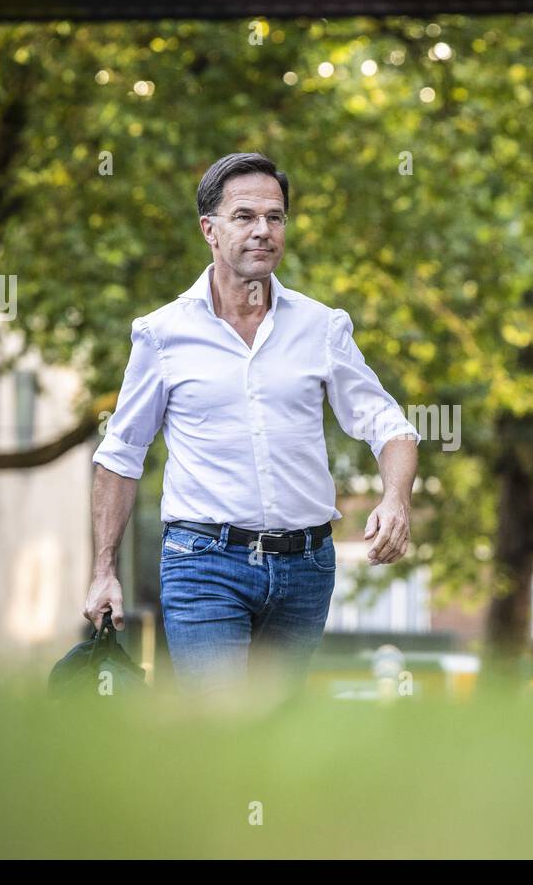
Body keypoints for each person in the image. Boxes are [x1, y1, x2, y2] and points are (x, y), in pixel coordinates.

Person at [83, 152, 420, 704]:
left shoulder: (322, 327)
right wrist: (103, 571)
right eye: (244, 216)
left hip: (306, 567)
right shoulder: (163, 335)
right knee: (222, 723)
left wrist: (396, 498)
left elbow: (389, 424)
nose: (263, 230)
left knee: (275, 738)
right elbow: (120, 454)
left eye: (275, 217)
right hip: (204, 563)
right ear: (209, 230)